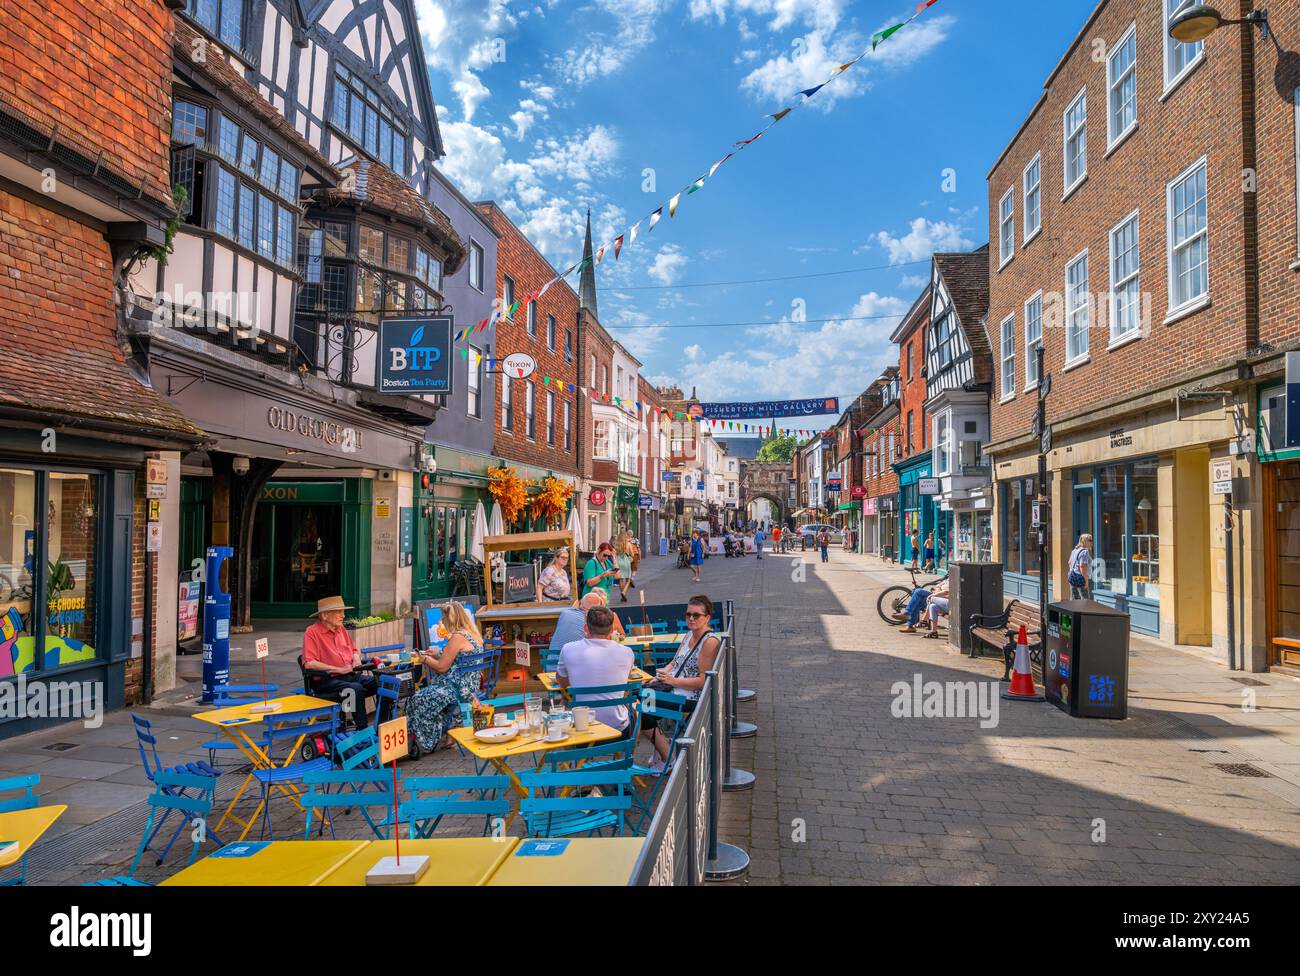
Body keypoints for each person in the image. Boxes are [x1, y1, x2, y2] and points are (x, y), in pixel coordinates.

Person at [642, 595, 720, 770]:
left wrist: (673, 680)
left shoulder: (710, 642)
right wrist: (661, 674)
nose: (691, 618)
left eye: (696, 615)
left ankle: (668, 756)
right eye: (688, 614)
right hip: (674, 689)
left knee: (642, 709)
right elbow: (674, 662)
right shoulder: (688, 635)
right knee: (640, 698)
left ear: (707, 617)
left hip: (691, 697)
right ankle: (663, 746)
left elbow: (702, 682)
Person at [408, 602, 485, 753]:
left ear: (451, 619)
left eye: (444, 618)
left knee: (416, 699)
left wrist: (424, 658)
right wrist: (437, 655)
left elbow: (442, 667)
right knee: (424, 696)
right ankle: (447, 731)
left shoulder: (458, 636)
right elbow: (458, 658)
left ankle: (425, 741)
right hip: (470, 687)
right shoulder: (474, 634)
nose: (442, 622)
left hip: (457, 690)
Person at [302, 596, 377, 730]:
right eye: (338, 612)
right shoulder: (312, 632)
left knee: (381, 682)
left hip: (348, 675)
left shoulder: (341, 629)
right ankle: (362, 729)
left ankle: (382, 724)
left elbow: (353, 649)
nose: (343, 615)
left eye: (343, 612)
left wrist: (356, 658)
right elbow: (309, 663)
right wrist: (338, 669)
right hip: (326, 681)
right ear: (324, 615)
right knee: (355, 690)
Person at [557, 606, 635, 733]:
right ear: (612, 631)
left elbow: (563, 684)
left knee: (562, 715)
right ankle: (627, 752)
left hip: (582, 728)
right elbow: (623, 681)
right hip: (617, 730)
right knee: (639, 710)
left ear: (586, 628)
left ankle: (578, 753)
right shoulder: (627, 652)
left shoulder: (567, 649)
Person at [1068, 533, 1093, 600]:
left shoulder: (1075, 550)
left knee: (1074, 598)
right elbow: (1082, 566)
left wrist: (1075, 568)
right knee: (1085, 600)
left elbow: (1069, 562)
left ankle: (1074, 610)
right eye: (1090, 540)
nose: (1092, 542)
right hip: (1081, 577)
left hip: (1072, 576)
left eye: (1092, 540)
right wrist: (1086, 581)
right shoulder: (1085, 552)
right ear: (1084, 541)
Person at [614, 532, 634, 603]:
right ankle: (624, 592)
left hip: (619, 561)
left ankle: (622, 593)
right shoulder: (628, 544)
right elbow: (632, 554)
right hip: (626, 561)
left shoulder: (617, 545)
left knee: (621, 579)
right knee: (628, 579)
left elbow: (615, 554)